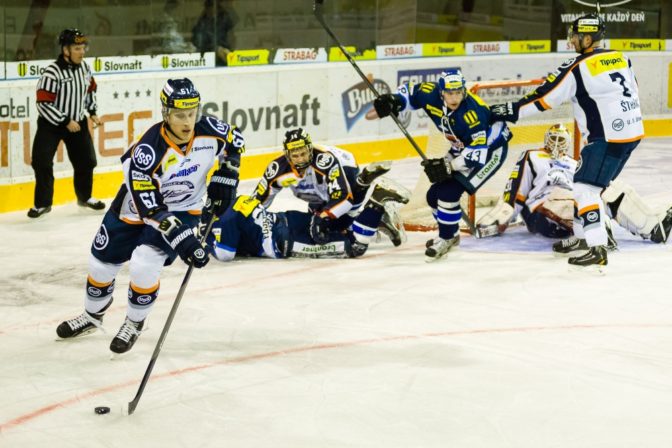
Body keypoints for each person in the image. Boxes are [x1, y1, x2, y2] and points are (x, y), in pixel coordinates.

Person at [55, 78, 245, 354]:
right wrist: (183, 240)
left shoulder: (212, 131)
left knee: (144, 264)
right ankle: (92, 316)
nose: (187, 121)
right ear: (165, 113)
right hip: (134, 209)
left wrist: (228, 174)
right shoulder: (146, 152)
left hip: (184, 208)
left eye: (192, 113)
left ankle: (134, 322)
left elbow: (235, 143)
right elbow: (150, 206)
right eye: (180, 114)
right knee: (100, 265)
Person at [490, 13, 645, 269]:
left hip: (606, 138)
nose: (571, 41)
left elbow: (544, 98)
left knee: (585, 189)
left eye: (574, 36)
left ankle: (597, 247)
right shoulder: (621, 57)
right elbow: (633, 89)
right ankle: (582, 237)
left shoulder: (576, 67)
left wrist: (511, 109)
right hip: (632, 133)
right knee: (582, 184)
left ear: (586, 37)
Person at [372, 68, 512, 260]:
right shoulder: (431, 92)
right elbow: (410, 93)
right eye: (449, 93)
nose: (454, 98)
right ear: (441, 92)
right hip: (463, 146)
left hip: (489, 151)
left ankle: (446, 237)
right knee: (432, 196)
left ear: (463, 91)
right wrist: (394, 100)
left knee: (448, 193)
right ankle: (452, 233)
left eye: (458, 93)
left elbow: (476, 155)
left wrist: (448, 166)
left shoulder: (473, 113)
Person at [477, 124, 672, 245]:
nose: (556, 143)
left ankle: (652, 227)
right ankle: (596, 233)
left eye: (561, 140)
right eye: (553, 139)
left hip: (571, 207)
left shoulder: (574, 162)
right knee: (565, 194)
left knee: (613, 189)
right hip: (542, 213)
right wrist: (498, 218)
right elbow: (515, 191)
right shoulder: (533, 155)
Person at [253, 128, 410, 256]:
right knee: (320, 223)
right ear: (287, 155)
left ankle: (364, 186)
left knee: (342, 217)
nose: (300, 159)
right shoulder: (277, 169)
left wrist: (324, 216)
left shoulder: (324, 161)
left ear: (310, 149)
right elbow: (257, 201)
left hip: (345, 168)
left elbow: (344, 198)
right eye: (295, 155)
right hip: (317, 191)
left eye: (303, 153)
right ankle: (377, 218)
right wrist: (250, 221)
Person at [28, 29, 104, 218]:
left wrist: (92, 112)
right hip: (51, 125)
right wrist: (64, 121)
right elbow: (43, 103)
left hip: (77, 123)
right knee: (41, 162)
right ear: (66, 50)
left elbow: (90, 90)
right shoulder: (52, 72)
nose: (82, 51)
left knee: (87, 161)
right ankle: (42, 204)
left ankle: (84, 197)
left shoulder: (85, 68)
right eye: (77, 48)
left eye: (83, 47)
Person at [191, 0, 237, 66]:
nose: (212, 10)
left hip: (226, 58)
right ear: (206, 9)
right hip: (207, 60)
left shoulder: (224, 20)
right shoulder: (202, 24)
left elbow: (232, 36)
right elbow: (199, 44)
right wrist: (215, 49)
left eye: (216, 8)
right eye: (209, 7)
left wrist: (230, 50)